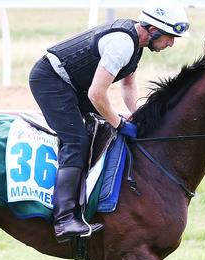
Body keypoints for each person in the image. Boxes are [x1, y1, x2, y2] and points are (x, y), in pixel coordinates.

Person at [29, 2, 190, 243]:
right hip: (51, 80)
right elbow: (97, 94)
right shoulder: (122, 44)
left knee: (99, 131)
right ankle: (64, 220)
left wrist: (137, 116)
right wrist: (119, 123)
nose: (171, 43)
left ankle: (84, 202)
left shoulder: (137, 44)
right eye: (169, 37)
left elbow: (127, 85)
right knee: (77, 141)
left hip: (71, 85)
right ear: (153, 29)